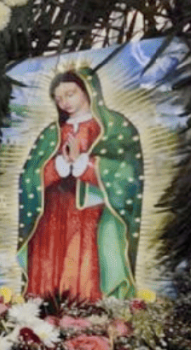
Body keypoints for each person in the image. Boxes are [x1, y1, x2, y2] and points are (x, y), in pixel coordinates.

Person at [17, 67, 143, 302]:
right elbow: (30, 175)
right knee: (50, 267)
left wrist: (85, 164)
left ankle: (85, 318)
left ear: (88, 90)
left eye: (70, 93)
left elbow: (127, 172)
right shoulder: (51, 133)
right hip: (52, 213)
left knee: (84, 265)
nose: (64, 102)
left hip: (91, 212)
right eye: (58, 98)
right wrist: (59, 165)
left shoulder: (112, 127)